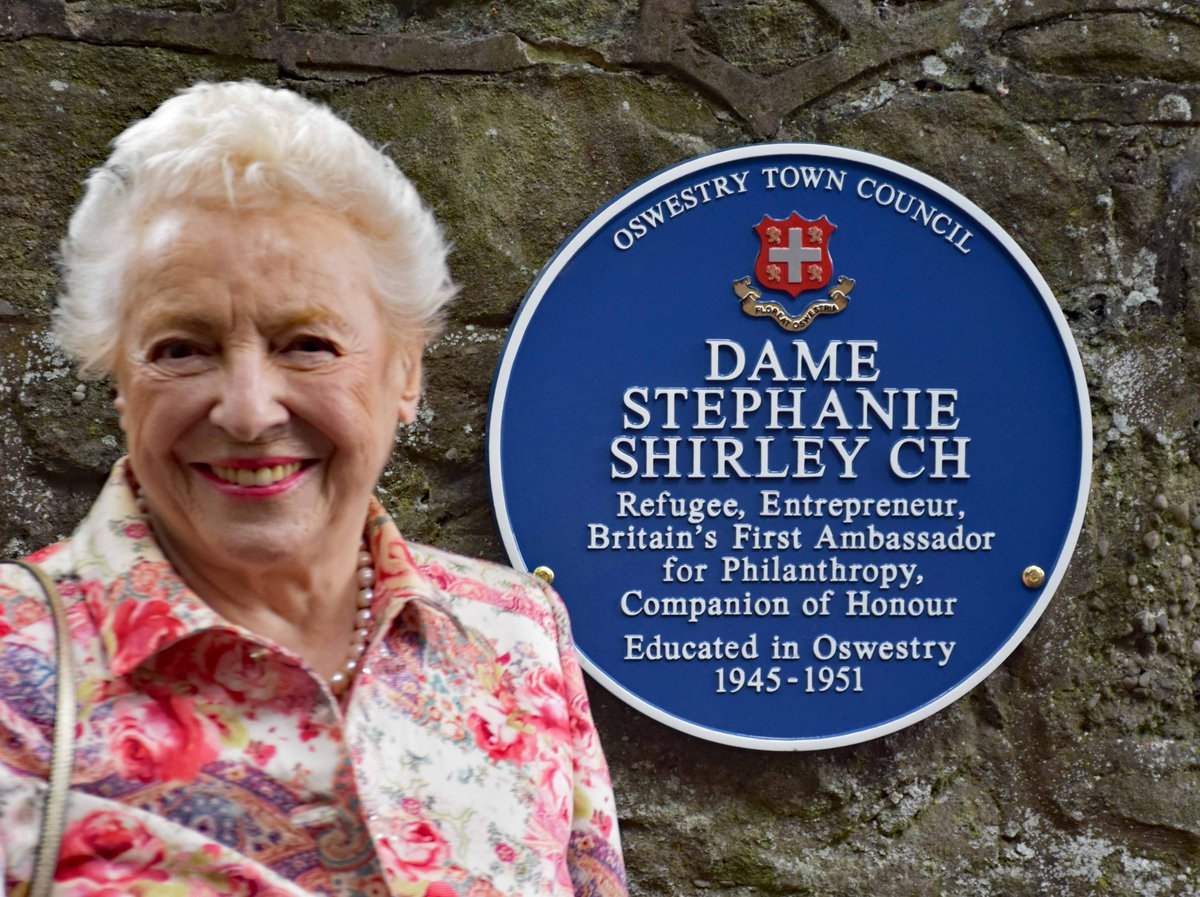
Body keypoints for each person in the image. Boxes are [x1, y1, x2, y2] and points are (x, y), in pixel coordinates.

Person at [0, 81, 626, 897]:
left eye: (307, 343)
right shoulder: (16, 670)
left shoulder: (517, 640)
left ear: (406, 372)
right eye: (183, 348)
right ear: (119, 374)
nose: (250, 411)